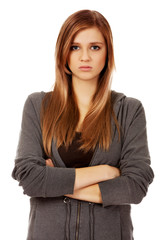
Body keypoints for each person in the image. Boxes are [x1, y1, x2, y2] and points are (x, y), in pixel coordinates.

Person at [12, 9, 154, 240]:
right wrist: (105, 172)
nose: (85, 57)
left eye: (95, 47)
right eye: (75, 47)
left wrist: (52, 181)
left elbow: (135, 187)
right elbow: (29, 178)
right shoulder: (38, 106)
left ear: (108, 52)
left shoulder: (129, 110)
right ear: (63, 53)